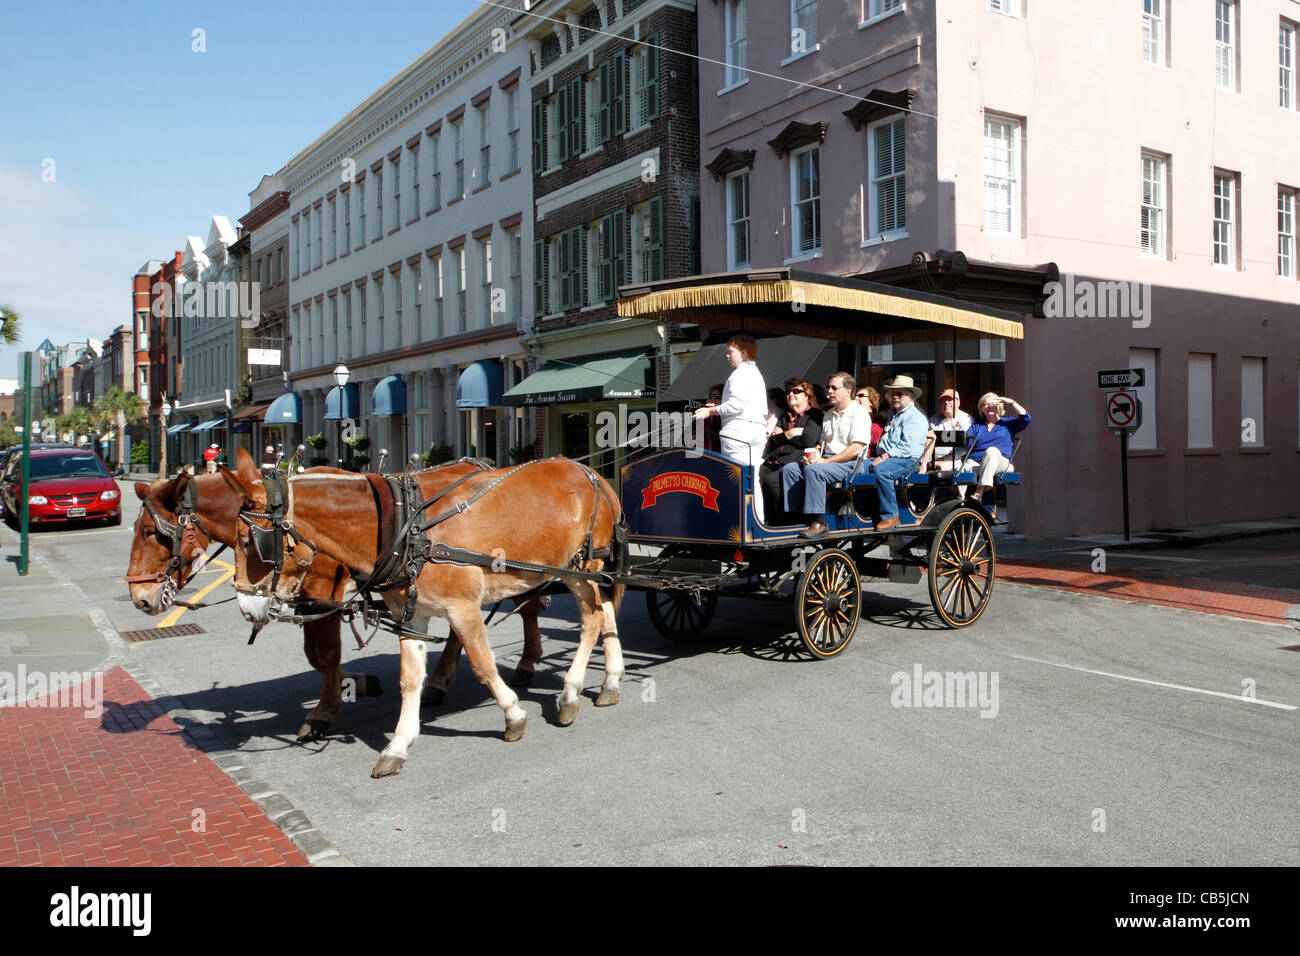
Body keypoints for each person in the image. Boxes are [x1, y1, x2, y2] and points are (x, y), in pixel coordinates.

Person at [781, 371, 874, 537]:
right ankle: (796, 518)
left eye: (834, 388)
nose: (829, 391)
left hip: (852, 464)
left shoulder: (859, 414)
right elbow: (821, 444)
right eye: (828, 387)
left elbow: (856, 449)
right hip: (829, 460)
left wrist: (825, 462)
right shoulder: (829, 414)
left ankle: (820, 522)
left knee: (814, 471)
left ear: (848, 391)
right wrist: (814, 455)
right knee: (791, 469)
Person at [693, 336, 769, 517]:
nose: (727, 356)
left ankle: (739, 521)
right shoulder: (755, 373)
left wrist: (710, 412)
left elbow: (736, 405)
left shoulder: (740, 374)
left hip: (738, 433)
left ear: (744, 352)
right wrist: (718, 407)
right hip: (755, 429)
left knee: (736, 478)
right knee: (752, 479)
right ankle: (756, 522)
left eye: (730, 352)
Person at [759, 378, 823, 523]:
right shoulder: (784, 417)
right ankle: (765, 520)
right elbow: (772, 442)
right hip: (775, 459)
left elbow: (808, 440)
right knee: (753, 476)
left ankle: (786, 522)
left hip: (796, 460)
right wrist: (792, 433)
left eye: (796, 391)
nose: (791, 394)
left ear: (807, 395)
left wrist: (783, 435)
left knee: (771, 481)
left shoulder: (814, 415)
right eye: (788, 392)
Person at [966, 393, 1032, 504]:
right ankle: (960, 500)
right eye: (985, 404)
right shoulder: (976, 426)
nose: (990, 406)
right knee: (960, 466)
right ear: (981, 409)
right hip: (978, 464)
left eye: (993, 403)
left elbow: (1027, 418)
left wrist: (1011, 402)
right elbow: (966, 443)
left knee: (991, 451)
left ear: (1000, 406)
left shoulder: (1008, 423)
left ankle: (980, 490)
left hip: (1002, 464)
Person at [918, 389, 974, 476]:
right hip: (930, 459)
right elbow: (925, 441)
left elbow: (964, 448)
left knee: (936, 469)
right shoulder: (934, 419)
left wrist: (943, 459)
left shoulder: (966, 419)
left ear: (958, 402)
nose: (946, 403)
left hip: (954, 460)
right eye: (943, 400)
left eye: (950, 400)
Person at [854, 386, 886, 455]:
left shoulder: (877, 418)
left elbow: (874, 439)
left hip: (865, 456)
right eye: (856, 396)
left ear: (871, 401)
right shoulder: (852, 416)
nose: (856, 398)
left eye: (861, 396)